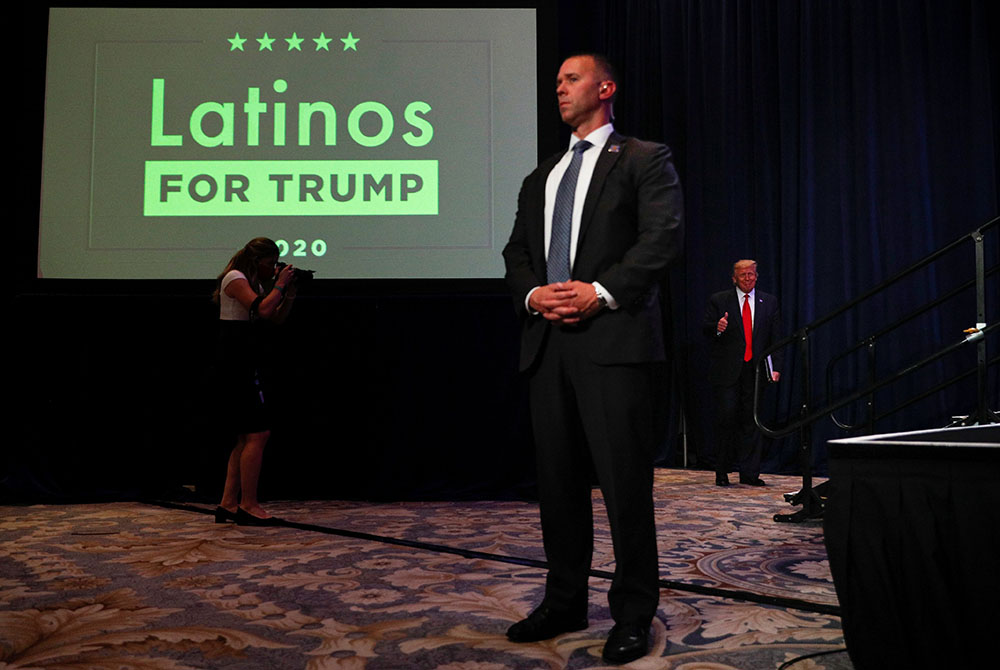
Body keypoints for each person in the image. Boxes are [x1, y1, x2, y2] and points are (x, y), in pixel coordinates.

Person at [501, 53, 683, 665]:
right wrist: (533, 293)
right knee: (558, 487)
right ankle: (565, 600)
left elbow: (662, 239)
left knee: (625, 488)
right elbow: (517, 251)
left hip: (614, 344)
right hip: (547, 345)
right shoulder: (542, 175)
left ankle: (633, 613)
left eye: (570, 79)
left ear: (606, 88)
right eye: (556, 82)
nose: (559, 88)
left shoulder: (642, 158)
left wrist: (599, 292)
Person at [212, 237, 297, 526]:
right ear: (258, 260)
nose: (273, 269)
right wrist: (280, 284)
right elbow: (261, 309)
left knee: (246, 436)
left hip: (243, 358)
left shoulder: (254, 283)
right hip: (235, 361)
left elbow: (274, 317)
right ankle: (248, 504)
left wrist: (290, 294)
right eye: (271, 264)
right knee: (258, 434)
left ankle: (227, 503)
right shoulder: (235, 278)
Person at [702, 260, 782, 487]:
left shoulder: (769, 302)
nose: (747, 278)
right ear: (734, 278)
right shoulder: (719, 300)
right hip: (727, 372)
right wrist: (717, 328)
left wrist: (776, 367)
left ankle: (749, 474)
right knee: (726, 420)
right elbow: (706, 328)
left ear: (757, 276)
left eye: (751, 274)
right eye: (742, 275)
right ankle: (722, 471)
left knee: (752, 422)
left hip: (755, 371)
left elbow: (776, 338)